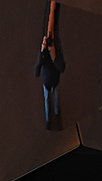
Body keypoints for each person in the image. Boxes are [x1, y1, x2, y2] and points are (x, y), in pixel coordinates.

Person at [35, 1, 64, 131]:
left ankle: (57, 114)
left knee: (56, 100)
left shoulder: (57, 54)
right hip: (47, 83)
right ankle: (48, 119)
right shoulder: (44, 55)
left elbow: (62, 68)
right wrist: (42, 52)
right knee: (47, 101)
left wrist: (54, 57)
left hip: (55, 82)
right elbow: (36, 71)